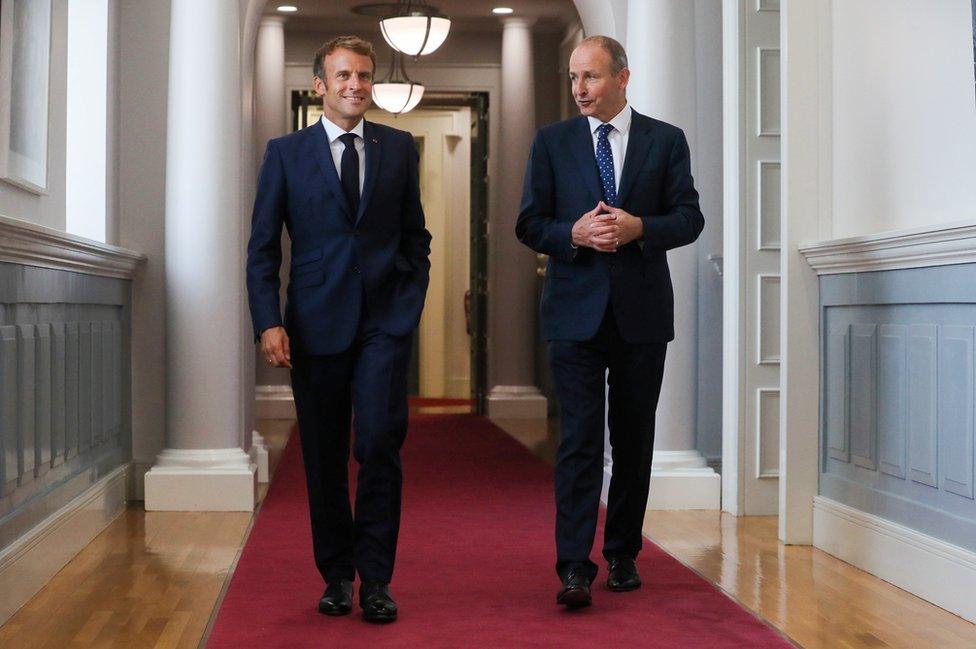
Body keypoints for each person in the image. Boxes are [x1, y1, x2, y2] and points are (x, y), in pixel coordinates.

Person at [246, 35, 431, 624]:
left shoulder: (399, 147)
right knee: (323, 455)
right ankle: (337, 575)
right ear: (320, 85)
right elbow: (261, 249)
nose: (356, 85)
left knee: (378, 441)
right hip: (313, 324)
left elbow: (415, 238)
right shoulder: (286, 152)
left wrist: (409, 304)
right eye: (344, 75)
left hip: (384, 321)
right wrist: (268, 321)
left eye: (365, 75)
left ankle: (377, 578)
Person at [516, 35, 704, 608]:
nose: (578, 89)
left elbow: (689, 218)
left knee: (633, 438)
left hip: (641, 313)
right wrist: (572, 235)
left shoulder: (665, 140)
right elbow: (529, 223)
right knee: (577, 440)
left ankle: (622, 551)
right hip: (573, 313)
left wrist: (639, 228)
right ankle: (574, 565)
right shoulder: (550, 143)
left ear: (623, 77)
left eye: (590, 77)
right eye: (574, 78)